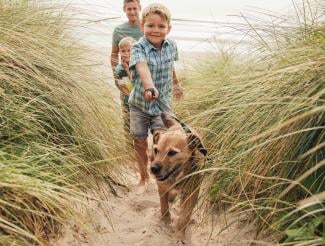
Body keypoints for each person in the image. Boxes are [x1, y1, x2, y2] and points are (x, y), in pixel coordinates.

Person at [129, 3, 183, 188]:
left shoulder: (172, 46)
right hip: (140, 104)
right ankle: (143, 177)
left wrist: (176, 84)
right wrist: (149, 87)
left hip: (163, 104)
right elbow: (142, 67)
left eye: (161, 26)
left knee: (162, 139)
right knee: (139, 140)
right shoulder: (138, 48)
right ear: (142, 25)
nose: (155, 30)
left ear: (169, 28)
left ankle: (162, 172)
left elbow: (170, 67)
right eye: (150, 25)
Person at [110, 0, 142, 75]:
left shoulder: (147, 27)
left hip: (146, 72)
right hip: (125, 73)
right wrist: (116, 74)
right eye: (129, 9)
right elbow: (114, 54)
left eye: (135, 8)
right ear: (124, 9)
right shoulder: (119, 30)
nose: (132, 12)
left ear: (140, 8)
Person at [114, 37, 136, 140]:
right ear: (119, 52)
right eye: (123, 51)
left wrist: (128, 70)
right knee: (127, 124)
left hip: (139, 102)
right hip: (127, 101)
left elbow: (136, 83)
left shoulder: (138, 66)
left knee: (138, 126)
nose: (126, 53)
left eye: (129, 50)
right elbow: (121, 87)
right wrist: (131, 96)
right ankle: (128, 145)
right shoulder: (119, 69)